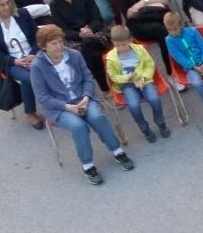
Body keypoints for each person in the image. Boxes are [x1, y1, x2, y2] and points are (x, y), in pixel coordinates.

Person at [30, 24, 132, 183]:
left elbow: (87, 78)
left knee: (97, 117)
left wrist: (86, 97)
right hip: (60, 107)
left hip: (83, 98)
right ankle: (88, 165)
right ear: (44, 46)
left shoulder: (74, 55)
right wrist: (67, 107)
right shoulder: (37, 66)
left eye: (60, 42)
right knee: (78, 126)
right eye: (54, 43)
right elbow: (43, 97)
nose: (59, 46)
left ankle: (117, 150)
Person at [0, 0, 45, 129]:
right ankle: (30, 112)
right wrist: (15, 61)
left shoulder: (22, 14)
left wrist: (33, 54)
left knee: (48, 69)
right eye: (1, 5)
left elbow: (38, 37)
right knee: (28, 78)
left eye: (8, 2)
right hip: (12, 62)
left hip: (33, 55)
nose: (6, 7)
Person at [104, 25, 171, 142]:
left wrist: (143, 77)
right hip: (127, 84)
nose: (121, 48)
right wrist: (126, 78)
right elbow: (113, 76)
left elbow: (150, 65)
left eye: (124, 44)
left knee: (154, 99)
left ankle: (161, 122)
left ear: (130, 40)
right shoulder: (111, 57)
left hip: (144, 80)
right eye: (117, 45)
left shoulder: (140, 49)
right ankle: (144, 128)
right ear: (113, 42)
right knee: (133, 105)